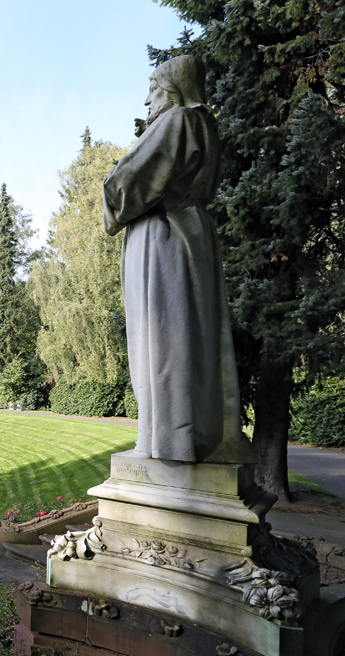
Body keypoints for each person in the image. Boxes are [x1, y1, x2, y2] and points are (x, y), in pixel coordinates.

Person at [102, 55, 254, 464]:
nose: (147, 99)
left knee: (163, 340)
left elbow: (126, 183)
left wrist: (112, 200)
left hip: (162, 235)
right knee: (190, 336)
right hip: (191, 234)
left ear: (171, 89)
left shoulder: (177, 121)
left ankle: (167, 443)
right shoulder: (206, 126)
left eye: (153, 87)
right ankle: (188, 437)